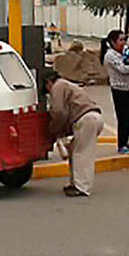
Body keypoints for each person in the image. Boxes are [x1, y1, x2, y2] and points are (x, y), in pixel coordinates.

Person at [44, 68, 104, 197]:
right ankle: (75, 183)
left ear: (48, 82)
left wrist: (54, 129)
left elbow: (59, 111)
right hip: (93, 117)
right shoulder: (67, 84)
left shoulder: (58, 86)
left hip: (86, 119)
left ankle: (82, 187)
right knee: (75, 151)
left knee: (81, 153)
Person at [101, 29, 129, 154]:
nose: (123, 42)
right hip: (119, 90)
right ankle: (121, 145)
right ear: (113, 42)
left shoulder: (125, 52)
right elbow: (123, 69)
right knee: (123, 118)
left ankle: (126, 141)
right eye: (120, 40)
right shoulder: (110, 56)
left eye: (124, 39)